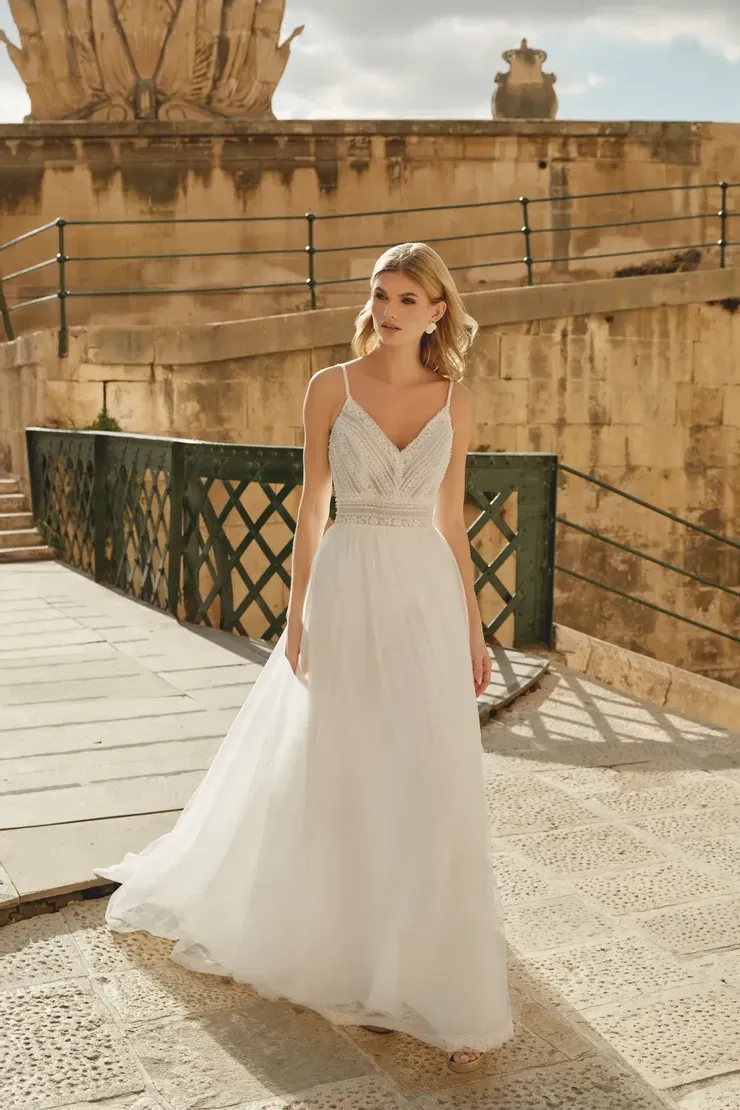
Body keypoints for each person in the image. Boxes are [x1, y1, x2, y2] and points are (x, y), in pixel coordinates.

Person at [93, 241, 514, 1073]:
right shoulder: (330, 387)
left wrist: (473, 627)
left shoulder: (456, 401)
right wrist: (296, 614)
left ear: (437, 311)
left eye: (406, 299)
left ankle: (423, 942)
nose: (388, 310)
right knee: (346, 756)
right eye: (380, 294)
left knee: (428, 766)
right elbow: (312, 510)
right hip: (350, 585)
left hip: (426, 594)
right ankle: (343, 930)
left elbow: (453, 522)